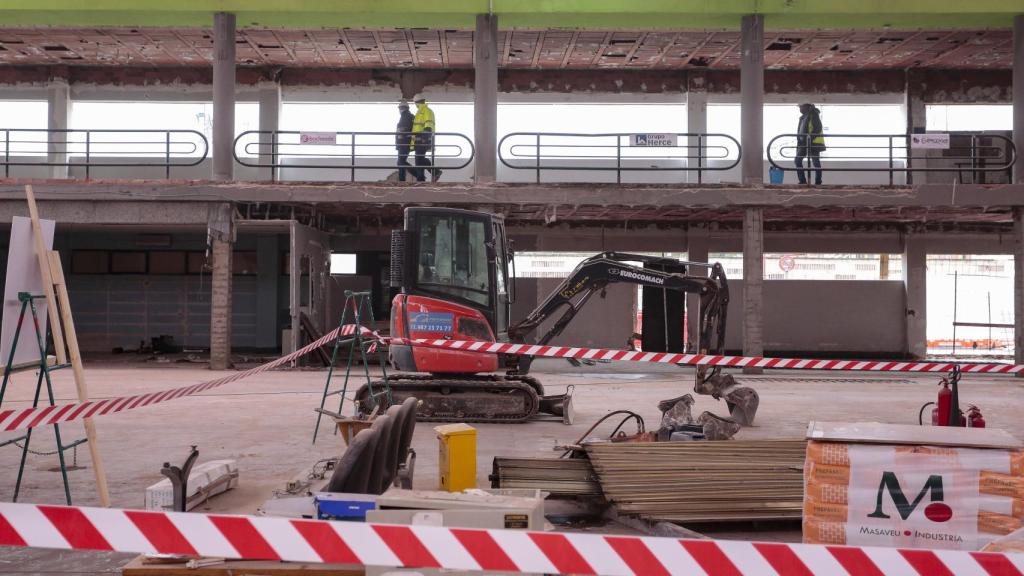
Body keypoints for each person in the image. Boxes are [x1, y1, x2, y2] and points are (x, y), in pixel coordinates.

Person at [410, 94, 442, 182]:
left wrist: (425, 138)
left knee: (419, 159)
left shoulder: (426, 111)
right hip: (418, 141)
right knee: (419, 160)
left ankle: (433, 173)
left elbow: (429, 126)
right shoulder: (420, 112)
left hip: (422, 140)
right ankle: (423, 178)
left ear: (416, 103)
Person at [795, 103, 826, 185]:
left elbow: (818, 128)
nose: (800, 109)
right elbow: (801, 131)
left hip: (814, 143)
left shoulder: (814, 114)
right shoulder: (803, 117)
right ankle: (802, 181)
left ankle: (818, 182)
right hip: (804, 143)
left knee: (816, 162)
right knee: (797, 160)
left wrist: (809, 138)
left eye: (801, 106)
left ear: (806, 106)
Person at [395, 100, 414, 182]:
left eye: (400, 108)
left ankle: (415, 173)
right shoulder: (408, 116)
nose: (399, 110)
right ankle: (401, 179)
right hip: (404, 142)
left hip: (404, 143)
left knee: (401, 161)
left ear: (402, 108)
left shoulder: (406, 116)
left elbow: (403, 130)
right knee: (401, 162)